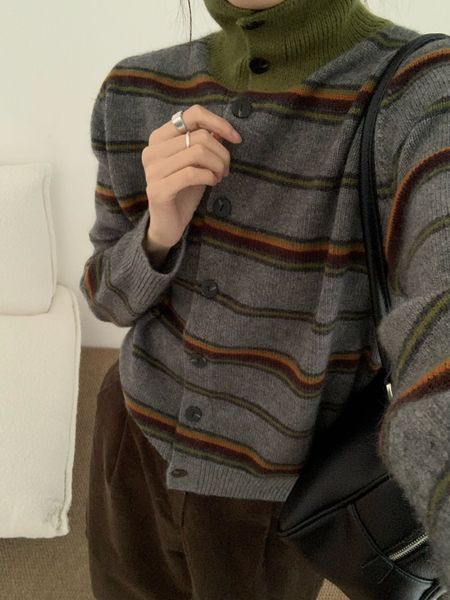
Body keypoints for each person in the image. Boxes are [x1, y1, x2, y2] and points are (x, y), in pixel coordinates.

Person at [80, 0, 450, 598]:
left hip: (278, 498)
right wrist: (158, 232)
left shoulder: (420, 92)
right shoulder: (135, 89)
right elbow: (105, 300)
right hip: (130, 443)